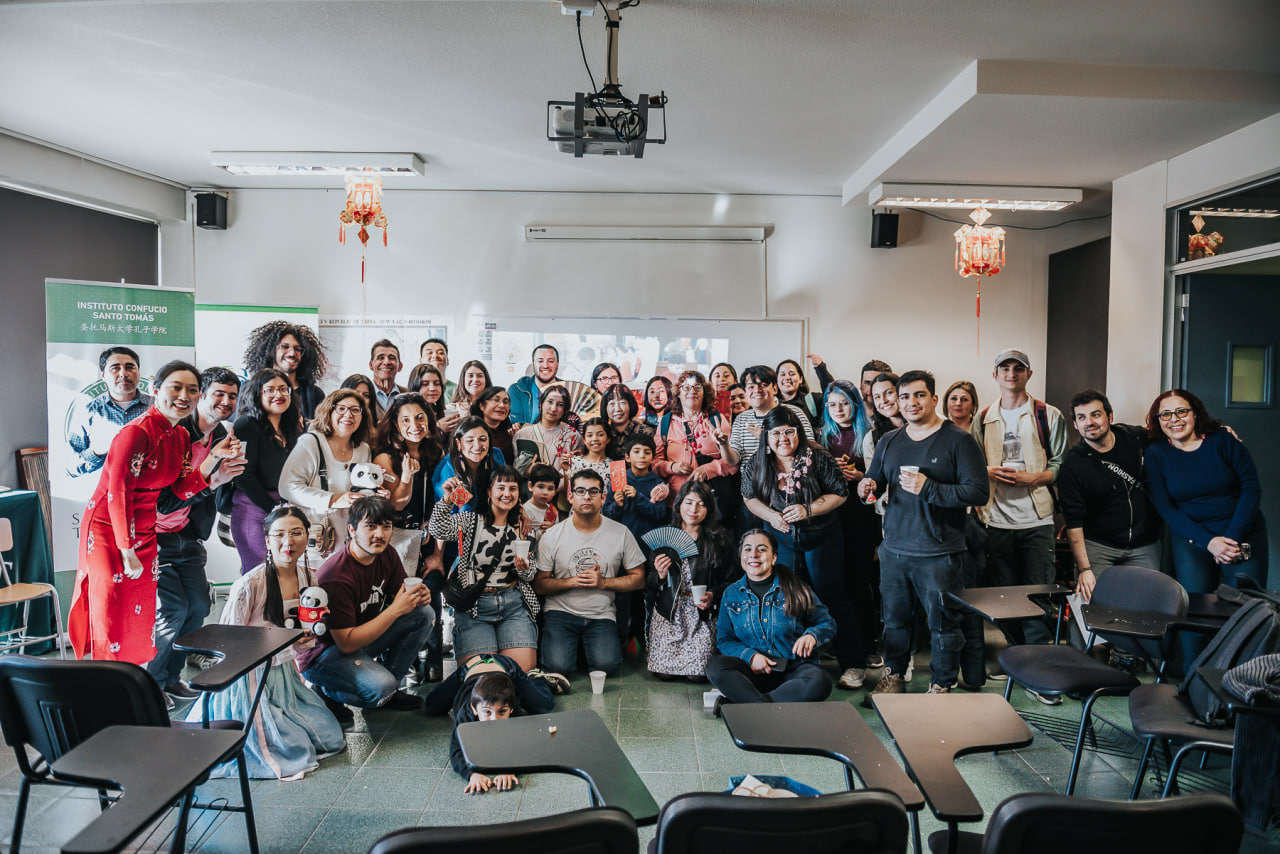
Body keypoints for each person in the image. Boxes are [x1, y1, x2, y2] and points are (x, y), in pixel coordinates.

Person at [68, 360, 238, 663]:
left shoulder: (181, 436)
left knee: (140, 610)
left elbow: (181, 489)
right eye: (176, 387)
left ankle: (132, 679)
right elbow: (118, 494)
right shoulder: (135, 433)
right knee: (111, 609)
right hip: (110, 530)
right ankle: (102, 681)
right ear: (156, 389)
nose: (184, 395)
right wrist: (126, 547)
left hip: (146, 528)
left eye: (192, 389)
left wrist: (214, 459)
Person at [860, 370, 990, 698]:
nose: (911, 402)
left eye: (919, 395)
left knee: (944, 624)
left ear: (934, 399)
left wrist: (929, 488)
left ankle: (941, 683)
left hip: (940, 552)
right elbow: (875, 481)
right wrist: (867, 486)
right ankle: (894, 676)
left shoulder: (958, 440)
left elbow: (978, 492)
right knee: (894, 621)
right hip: (895, 549)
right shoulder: (889, 441)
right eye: (904, 397)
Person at [190, 505, 346, 775]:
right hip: (248, 680)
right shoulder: (249, 585)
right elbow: (226, 642)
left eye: (297, 533)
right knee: (291, 752)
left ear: (307, 536)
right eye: (280, 535)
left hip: (284, 675)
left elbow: (300, 638)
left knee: (332, 739)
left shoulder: (309, 576)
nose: (289, 542)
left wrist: (304, 637)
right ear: (266, 541)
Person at [741, 407, 861, 688]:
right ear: (766, 437)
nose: (782, 439)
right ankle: (791, 663)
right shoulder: (757, 462)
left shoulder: (818, 458)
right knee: (786, 599)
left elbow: (840, 494)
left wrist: (809, 510)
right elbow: (749, 496)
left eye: (789, 432)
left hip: (822, 537)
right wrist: (770, 515)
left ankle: (852, 663)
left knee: (832, 596)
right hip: (781, 540)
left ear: (799, 433)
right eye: (775, 433)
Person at [1144, 388, 1267, 660]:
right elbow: (1165, 507)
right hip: (1193, 540)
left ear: (1195, 413)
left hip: (1241, 536)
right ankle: (1194, 682)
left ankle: (1243, 682)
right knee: (1192, 613)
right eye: (1164, 414)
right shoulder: (1155, 452)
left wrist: (1230, 540)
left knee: (1249, 613)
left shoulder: (1223, 439)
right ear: (1156, 420)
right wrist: (1209, 542)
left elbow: (1251, 489)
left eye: (1181, 411)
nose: (1173, 419)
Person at [149, 367, 245, 705]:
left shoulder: (223, 435)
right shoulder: (176, 431)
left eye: (232, 396)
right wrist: (210, 479)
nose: (226, 401)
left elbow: (204, 490)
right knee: (172, 610)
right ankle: (150, 686)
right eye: (218, 393)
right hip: (152, 533)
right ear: (201, 394)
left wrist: (221, 481)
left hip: (188, 532)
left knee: (199, 606)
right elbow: (168, 496)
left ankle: (169, 677)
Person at [296, 496, 435, 718]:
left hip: (360, 635)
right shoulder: (336, 577)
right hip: (324, 656)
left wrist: (418, 596)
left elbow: (400, 594)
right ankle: (326, 692)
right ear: (351, 530)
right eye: (370, 526)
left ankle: (389, 690)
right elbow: (346, 644)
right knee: (379, 687)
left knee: (423, 614)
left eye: (385, 527)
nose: (379, 534)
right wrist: (396, 609)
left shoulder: (386, 553)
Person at [972, 349, 1067, 649]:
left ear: (1028, 374)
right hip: (995, 519)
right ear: (995, 375)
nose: (1011, 374)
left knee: (1036, 593)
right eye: (1005, 368)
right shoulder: (984, 417)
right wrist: (988, 470)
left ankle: (1038, 662)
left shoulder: (1048, 415)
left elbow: (1061, 464)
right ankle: (1017, 655)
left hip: (1037, 520)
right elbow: (972, 465)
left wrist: (1033, 478)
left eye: (1018, 368)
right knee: (1004, 595)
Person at [534, 469, 646, 677]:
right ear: (570, 496)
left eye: (594, 491)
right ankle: (574, 649)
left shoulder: (620, 532)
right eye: (581, 491)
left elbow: (639, 579)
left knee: (608, 667)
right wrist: (572, 582)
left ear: (603, 498)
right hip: (561, 612)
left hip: (601, 614)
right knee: (558, 669)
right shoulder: (552, 535)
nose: (587, 496)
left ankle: (591, 648)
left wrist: (603, 583)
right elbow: (540, 584)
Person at [429, 466, 541, 672]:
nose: (507, 494)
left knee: (520, 673)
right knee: (483, 676)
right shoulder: (471, 520)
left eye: (513, 488)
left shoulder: (523, 527)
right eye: (501, 487)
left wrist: (523, 569)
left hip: (513, 605)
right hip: (475, 607)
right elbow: (438, 529)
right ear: (489, 491)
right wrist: (447, 500)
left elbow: (530, 573)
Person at [705, 529, 836, 706]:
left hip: (792, 670)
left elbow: (827, 623)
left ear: (774, 557)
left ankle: (749, 704)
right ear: (741, 556)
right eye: (748, 549)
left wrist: (812, 635)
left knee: (820, 681)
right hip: (752, 672)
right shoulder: (731, 593)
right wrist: (751, 657)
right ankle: (771, 706)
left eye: (761, 549)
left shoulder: (796, 587)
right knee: (715, 666)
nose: (754, 555)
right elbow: (724, 639)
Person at [1057, 390, 1163, 601]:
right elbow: (1074, 523)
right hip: (1098, 547)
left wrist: (1213, 431)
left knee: (1146, 608)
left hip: (1145, 545)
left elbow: (1174, 435)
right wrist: (1084, 568)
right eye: (1081, 417)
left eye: (1096, 414)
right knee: (1090, 607)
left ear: (1110, 417)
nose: (1089, 422)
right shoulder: (1072, 465)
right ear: (1076, 424)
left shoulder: (1134, 437)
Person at [819, 379, 882, 671]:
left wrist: (859, 477)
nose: (838, 409)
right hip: (829, 519)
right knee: (834, 584)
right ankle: (839, 642)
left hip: (861, 518)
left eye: (844, 402)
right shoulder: (822, 437)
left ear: (855, 403)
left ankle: (868, 645)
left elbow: (880, 479)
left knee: (860, 584)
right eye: (832, 404)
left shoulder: (869, 435)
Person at [646, 481, 736, 681]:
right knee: (663, 674)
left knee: (697, 676)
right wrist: (660, 576)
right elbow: (648, 581)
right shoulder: (664, 536)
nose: (693, 509)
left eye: (701, 504)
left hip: (701, 612)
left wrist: (714, 594)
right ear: (678, 504)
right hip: (669, 611)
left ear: (709, 509)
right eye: (688, 502)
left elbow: (732, 579)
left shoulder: (719, 539)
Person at [431, 654, 557, 794]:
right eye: (487, 712)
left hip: (506, 668)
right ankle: (471, 667)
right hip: (471, 668)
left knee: (545, 706)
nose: (494, 719)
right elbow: (456, 751)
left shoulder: (515, 711)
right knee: (431, 706)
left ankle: (538, 678)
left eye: (502, 712)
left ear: (511, 708)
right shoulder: (466, 714)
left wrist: (510, 768)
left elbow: (527, 744)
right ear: (474, 709)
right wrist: (471, 774)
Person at [279, 388, 377, 566]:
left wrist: (374, 496)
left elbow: (360, 490)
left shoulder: (363, 449)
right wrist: (333, 499)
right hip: (315, 539)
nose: (348, 414)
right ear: (329, 412)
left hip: (350, 542)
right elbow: (287, 487)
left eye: (355, 410)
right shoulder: (311, 442)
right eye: (341, 408)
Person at [230, 369, 302, 573]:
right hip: (254, 508)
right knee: (259, 574)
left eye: (283, 389)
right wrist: (273, 508)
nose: (278, 395)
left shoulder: (293, 428)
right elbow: (243, 476)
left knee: (284, 573)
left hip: (285, 507)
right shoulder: (246, 425)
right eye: (269, 390)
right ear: (257, 393)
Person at [373, 392, 444, 581]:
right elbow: (396, 505)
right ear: (396, 426)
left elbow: (442, 497)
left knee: (431, 596)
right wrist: (406, 478)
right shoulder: (386, 458)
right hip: (397, 540)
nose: (414, 425)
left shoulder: (436, 452)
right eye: (405, 420)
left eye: (420, 417)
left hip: (429, 539)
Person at [653, 371, 737, 513]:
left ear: (704, 392)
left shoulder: (716, 419)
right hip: (675, 501)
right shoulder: (666, 422)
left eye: (697, 387)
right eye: (686, 387)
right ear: (678, 393)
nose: (692, 391)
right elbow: (655, 462)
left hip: (708, 501)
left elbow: (733, 463)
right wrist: (671, 467)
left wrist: (708, 469)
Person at [66, 346, 153, 477]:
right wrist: (97, 451)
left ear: (139, 373)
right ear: (103, 376)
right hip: (106, 493)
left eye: (130, 367)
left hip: (152, 493)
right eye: (115, 368)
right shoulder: (87, 412)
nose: (124, 373)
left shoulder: (157, 407)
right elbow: (70, 467)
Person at [723, 365, 815, 471]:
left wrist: (766, 439)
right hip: (751, 483)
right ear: (746, 392)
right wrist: (724, 444)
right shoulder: (741, 419)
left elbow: (810, 450)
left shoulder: (794, 413)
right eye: (751, 387)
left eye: (763, 385)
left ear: (775, 389)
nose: (757, 390)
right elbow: (733, 460)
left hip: (788, 480)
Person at [243, 322, 327, 421]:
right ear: (271, 351)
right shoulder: (250, 388)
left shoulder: (316, 394)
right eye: (285, 347)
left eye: (297, 349)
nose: (292, 353)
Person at [434, 416, 508, 513]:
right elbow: (462, 512)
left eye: (483, 439)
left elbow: (508, 488)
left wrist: (519, 510)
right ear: (458, 443)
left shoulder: (496, 455)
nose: (477, 446)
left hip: (494, 517)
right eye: (469, 440)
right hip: (460, 523)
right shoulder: (446, 468)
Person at [604, 434, 670, 542]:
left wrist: (638, 497)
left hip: (647, 541)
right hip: (620, 540)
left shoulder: (658, 484)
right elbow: (606, 514)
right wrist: (617, 505)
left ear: (653, 459)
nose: (642, 456)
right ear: (627, 457)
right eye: (636, 451)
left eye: (647, 452)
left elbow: (659, 515)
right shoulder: (619, 478)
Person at [513, 385, 583, 469]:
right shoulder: (523, 434)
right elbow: (517, 468)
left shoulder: (573, 436)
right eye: (550, 402)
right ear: (541, 404)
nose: (553, 409)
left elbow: (578, 469)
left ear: (565, 410)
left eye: (560, 405)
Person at [507, 344, 561, 427]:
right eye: (540, 361)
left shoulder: (568, 389)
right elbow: (517, 426)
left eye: (550, 361)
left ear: (557, 364)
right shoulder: (517, 390)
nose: (545, 366)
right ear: (533, 364)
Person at [601, 383, 652, 461]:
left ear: (630, 405)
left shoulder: (646, 432)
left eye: (622, 403)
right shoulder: (602, 434)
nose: (617, 409)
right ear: (605, 408)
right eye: (612, 404)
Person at [410, 362, 461, 435]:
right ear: (415, 386)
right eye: (425, 384)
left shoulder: (438, 411)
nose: (432, 388)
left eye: (437, 383)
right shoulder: (407, 414)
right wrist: (438, 428)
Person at [471, 385, 515, 463]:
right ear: (481, 406)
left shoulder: (508, 433)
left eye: (505, 402)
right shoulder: (471, 433)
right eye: (496, 400)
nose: (502, 405)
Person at [776, 359, 823, 431]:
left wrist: (821, 368)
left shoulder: (813, 400)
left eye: (792, 374)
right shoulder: (770, 404)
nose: (787, 378)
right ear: (776, 380)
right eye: (782, 374)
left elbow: (833, 393)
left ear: (801, 379)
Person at [523, 463, 561, 541]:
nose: (545, 492)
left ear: (555, 491)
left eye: (550, 489)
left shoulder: (553, 511)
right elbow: (522, 537)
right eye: (540, 487)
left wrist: (553, 529)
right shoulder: (525, 510)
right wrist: (542, 532)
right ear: (530, 486)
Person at [368, 339, 406, 416]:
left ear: (400, 366)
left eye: (392, 358)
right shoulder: (361, 394)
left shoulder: (408, 395)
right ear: (371, 365)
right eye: (381, 358)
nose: (386, 362)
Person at [569, 417, 613, 483]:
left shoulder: (615, 467)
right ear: (584, 440)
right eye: (590, 435)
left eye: (600, 435)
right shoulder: (574, 463)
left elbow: (618, 492)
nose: (595, 439)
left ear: (608, 439)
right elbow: (568, 491)